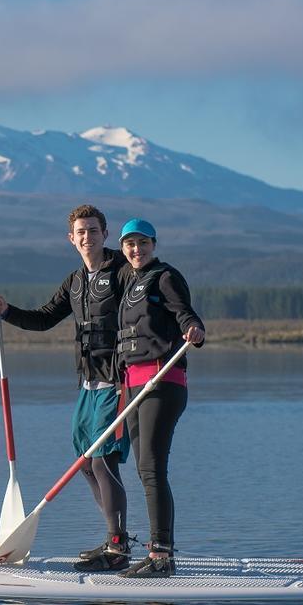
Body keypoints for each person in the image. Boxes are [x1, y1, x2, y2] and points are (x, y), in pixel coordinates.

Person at [0, 204, 133, 572]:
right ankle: (115, 539)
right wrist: (6, 311)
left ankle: (118, 549)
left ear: (105, 234)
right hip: (87, 383)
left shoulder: (123, 272)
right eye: (80, 232)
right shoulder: (75, 281)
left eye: (93, 231)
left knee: (104, 459)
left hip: (118, 382)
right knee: (85, 462)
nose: (87, 238)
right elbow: (44, 319)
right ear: (71, 239)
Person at [113, 218, 205, 578]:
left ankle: (161, 556)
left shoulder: (165, 276)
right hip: (134, 386)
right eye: (129, 244)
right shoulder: (128, 280)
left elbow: (184, 313)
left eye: (142, 243)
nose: (136, 250)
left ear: (154, 243)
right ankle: (150, 551)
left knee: (152, 469)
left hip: (162, 382)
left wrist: (193, 329)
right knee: (143, 468)